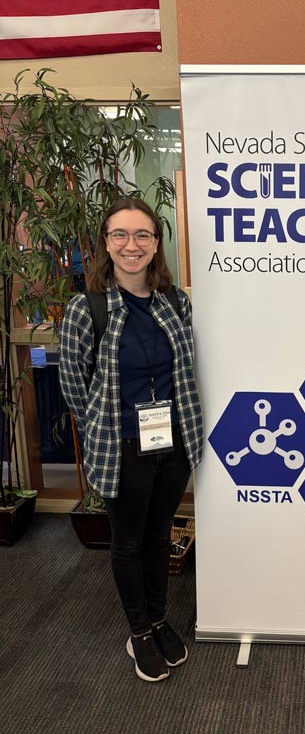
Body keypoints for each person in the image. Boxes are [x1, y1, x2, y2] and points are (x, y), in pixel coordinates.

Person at [59, 197, 203, 683]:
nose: (131, 245)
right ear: (106, 243)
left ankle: (159, 620)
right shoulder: (87, 308)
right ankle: (139, 631)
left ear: (157, 243)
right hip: (121, 447)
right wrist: (103, 430)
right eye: (119, 234)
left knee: (160, 536)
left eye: (142, 234)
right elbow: (74, 385)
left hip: (172, 442)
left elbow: (185, 372)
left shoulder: (175, 302)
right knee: (128, 542)